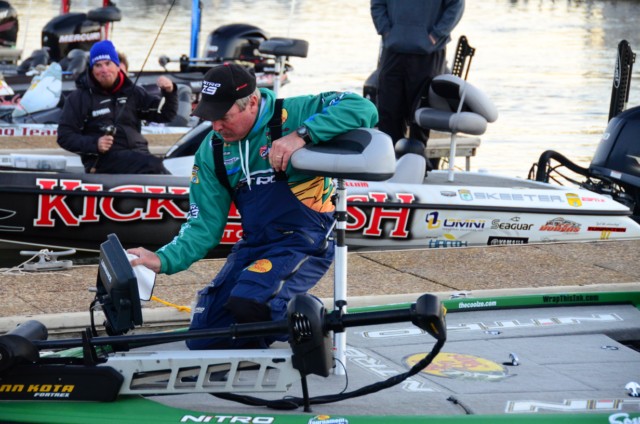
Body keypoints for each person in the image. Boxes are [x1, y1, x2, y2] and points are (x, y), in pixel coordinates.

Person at [129, 63, 378, 350]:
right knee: (204, 337)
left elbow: (363, 108)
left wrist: (302, 135)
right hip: (255, 243)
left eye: (223, 117)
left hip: (306, 239)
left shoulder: (295, 112)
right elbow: (202, 227)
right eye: (210, 118)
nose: (216, 127)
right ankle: (265, 339)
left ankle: (316, 326)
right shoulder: (211, 150)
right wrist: (161, 260)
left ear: (253, 102)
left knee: (253, 301)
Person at [57, 40, 178, 174]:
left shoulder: (134, 92)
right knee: (153, 165)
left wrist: (170, 92)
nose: (104, 70)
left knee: (160, 165)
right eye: (98, 65)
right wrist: (95, 144)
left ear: (117, 66)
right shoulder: (79, 98)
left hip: (139, 155)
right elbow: (64, 136)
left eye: (108, 63)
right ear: (92, 70)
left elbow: (165, 115)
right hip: (102, 162)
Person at [371, 0, 464, 150]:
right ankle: (390, 160)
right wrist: (386, 31)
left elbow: (456, 5)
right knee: (388, 112)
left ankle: (418, 160)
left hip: (428, 52)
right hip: (393, 50)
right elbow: (377, 4)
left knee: (421, 115)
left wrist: (435, 35)